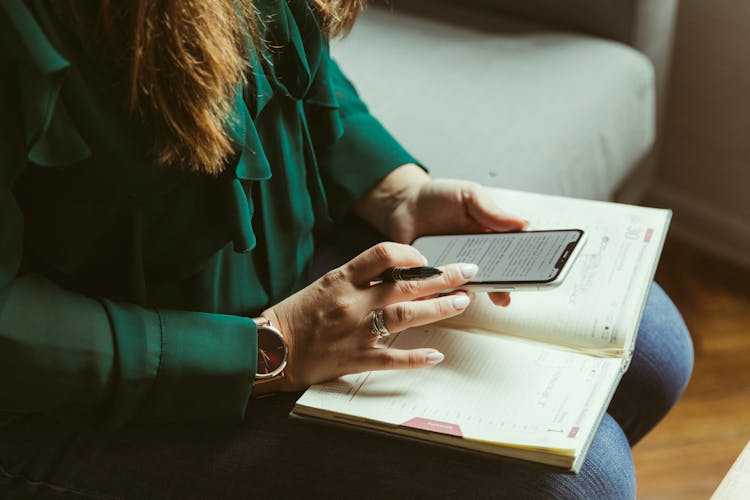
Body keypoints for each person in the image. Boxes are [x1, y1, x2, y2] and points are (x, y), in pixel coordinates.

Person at [0, 1, 693, 498]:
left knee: (655, 343)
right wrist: (270, 350)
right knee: (581, 482)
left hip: (269, 275)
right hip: (79, 395)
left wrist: (395, 191)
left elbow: (288, 58)